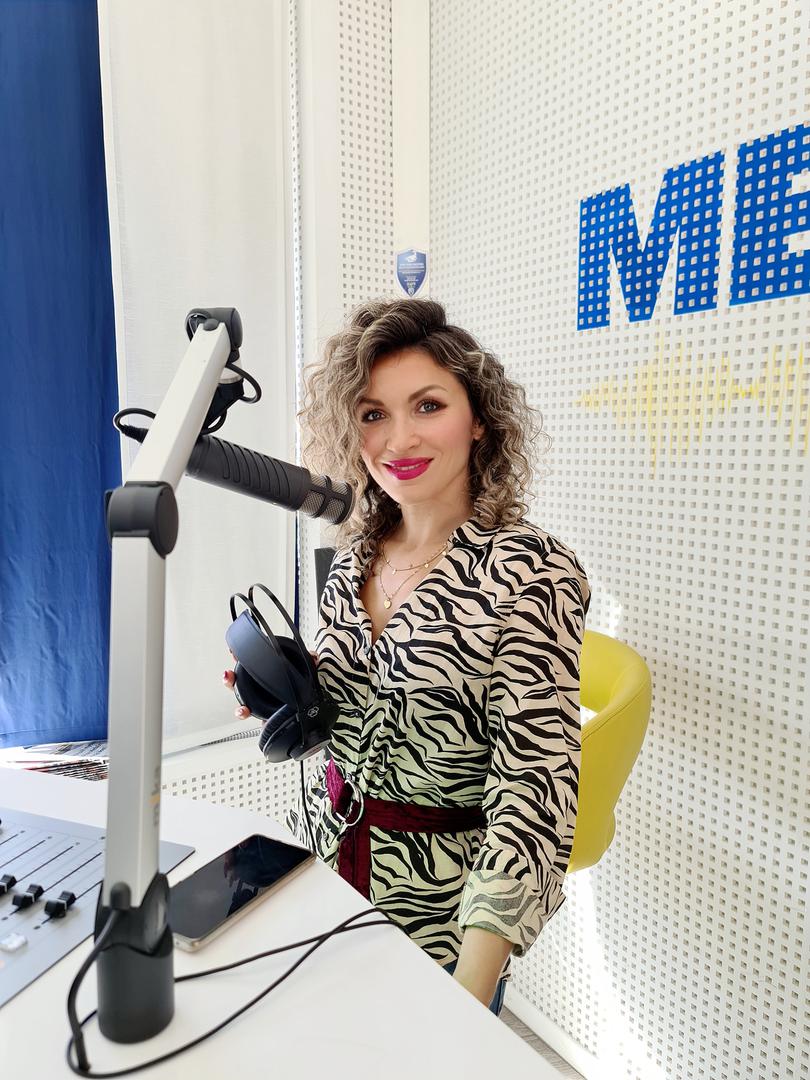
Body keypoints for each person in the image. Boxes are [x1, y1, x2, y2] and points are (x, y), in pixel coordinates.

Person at [223, 298, 591, 1017]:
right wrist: (290, 694)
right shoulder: (352, 557)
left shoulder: (533, 572)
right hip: (323, 879)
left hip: (443, 920)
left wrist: (468, 998)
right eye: (372, 413)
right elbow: (372, 718)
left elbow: (533, 794)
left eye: (427, 405)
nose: (399, 438)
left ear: (478, 419)